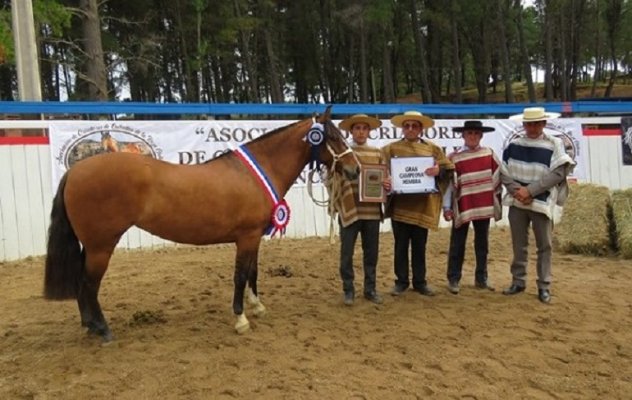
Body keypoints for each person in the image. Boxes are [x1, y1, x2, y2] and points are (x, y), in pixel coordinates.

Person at [500, 107, 574, 304]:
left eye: (536, 123)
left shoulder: (555, 144)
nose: (532, 127)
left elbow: (558, 173)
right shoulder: (513, 145)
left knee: (545, 245)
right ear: (523, 124)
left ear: (543, 124)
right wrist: (518, 191)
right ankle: (518, 281)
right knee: (519, 244)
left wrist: (530, 191)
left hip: (541, 202)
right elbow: (504, 172)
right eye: (529, 123)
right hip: (517, 202)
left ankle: (544, 285)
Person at [382, 111, 454, 297]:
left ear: (421, 129)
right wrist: (386, 179)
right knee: (400, 245)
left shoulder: (433, 149)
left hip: (422, 206)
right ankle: (401, 281)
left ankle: (420, 282)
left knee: (420, 245)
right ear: (402, 128)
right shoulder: (390, 149)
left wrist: (439, 170)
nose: (411, 129)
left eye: (415, 126)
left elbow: (449, 168)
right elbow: (379, 168)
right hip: (400, 205)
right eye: (407, 126)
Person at [334, 114, 389, 306]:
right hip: (350, 209)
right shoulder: (342, 153)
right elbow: (330, 177)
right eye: (357, 128)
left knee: (371, 252)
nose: (360, 132)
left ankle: (370, 289)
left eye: (364, 128)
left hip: (371, 211)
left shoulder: (377, 153)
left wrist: (386, 183)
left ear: (369, 131)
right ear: (351, 131)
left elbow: (386, 178)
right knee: (346, 252)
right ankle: (348, 290)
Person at [443, 120, 502, 295]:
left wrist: (496, 200)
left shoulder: (489, 154)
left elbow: (499, 175)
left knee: (482, 243)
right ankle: (453, 278)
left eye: (476, 133)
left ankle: (481, 277)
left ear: (481, 136)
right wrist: (447, 207)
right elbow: (448, 185)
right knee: (457, 243)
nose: (473, 137)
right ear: (463, 136)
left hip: (483, 205)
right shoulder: (454, 158)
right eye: (469, 133)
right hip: (462, 206)